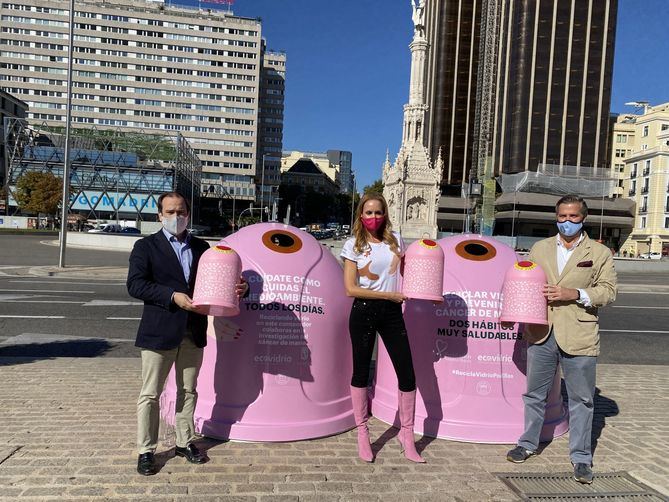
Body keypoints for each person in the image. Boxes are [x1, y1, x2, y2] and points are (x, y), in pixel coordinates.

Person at [127, 191, 248, 476]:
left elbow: (217, 282)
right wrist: (172, 296)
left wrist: (242, 288)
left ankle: (184, 442)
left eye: (181, 211)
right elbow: (135, 285)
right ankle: (146, 450)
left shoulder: (202, 247)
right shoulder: (145, 246)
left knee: (188, 390)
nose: (176, 217)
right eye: (170, 212)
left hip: (193, 331)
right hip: (159, 331)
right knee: (150, 394)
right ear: (159, 215)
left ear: (188, 214)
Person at [506, 195, 617, 484]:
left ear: (584, 218)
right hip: (541, 332)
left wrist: (575, 294)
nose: (567, 222)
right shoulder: (539, 248)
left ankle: (581, 457)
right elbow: (523, 284)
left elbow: (608, 292)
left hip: (579, 334)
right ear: (556, 217)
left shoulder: (599, 252)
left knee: (582, 399)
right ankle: (528, 443)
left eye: (573, 217)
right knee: (534, 394)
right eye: (562, 217)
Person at [340, 193, 425, 463]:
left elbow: (409, 272)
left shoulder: (396, 240)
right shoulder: (352, 244)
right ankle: (363, 432)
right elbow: (351, 289)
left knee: (407, 374)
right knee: (361, 372)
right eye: (368, 213)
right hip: (364, 312)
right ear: (360, 215)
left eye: (378, 213)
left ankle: (407, 434)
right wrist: (390, 296)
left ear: (385, 214)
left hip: (391, 314)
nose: (373, 218)